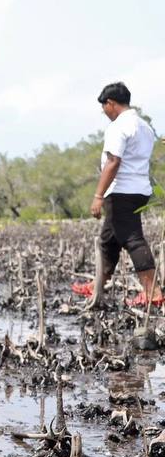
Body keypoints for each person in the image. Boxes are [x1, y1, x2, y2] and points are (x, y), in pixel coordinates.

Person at [72, 82, 161, 307]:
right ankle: (98, 285)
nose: (104, 112)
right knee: (108, 240)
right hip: (139, 190)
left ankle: (154, 292)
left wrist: (98, 196)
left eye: (104, 107)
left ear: (110, 103)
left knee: (133, 239)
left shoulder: (118, 126)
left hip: (121, 190)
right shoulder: (144, 126)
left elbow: (113, 161)